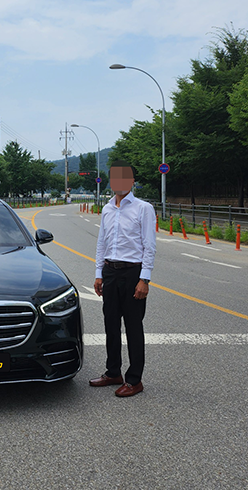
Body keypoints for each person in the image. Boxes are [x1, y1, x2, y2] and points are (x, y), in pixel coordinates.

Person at [90, 160, 156, 397]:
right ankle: (113, 372)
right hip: (110, 271)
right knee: (110, 324)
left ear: (131, 181)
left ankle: (134, 380)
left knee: (133, 326)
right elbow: (102, 243)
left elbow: (149, 246)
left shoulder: (143, 208)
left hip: (132, 273)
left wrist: (144, 279)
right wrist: (99, 274)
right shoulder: (107, 209)